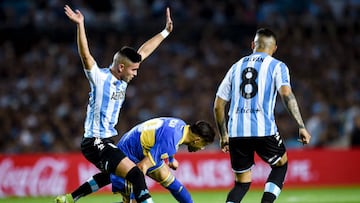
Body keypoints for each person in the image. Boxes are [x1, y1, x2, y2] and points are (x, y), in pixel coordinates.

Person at [56, 5, 173, 203]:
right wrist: (80, 25)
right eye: (133, 70)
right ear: (121, 67)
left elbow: (143, 51)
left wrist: (165, 32)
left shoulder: (123, 77)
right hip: (95, 141)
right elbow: (86, 57)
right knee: (135, 174)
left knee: (111, 175)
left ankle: (69, 198)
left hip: (107, 140)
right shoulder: (100, 78)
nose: (136, 73)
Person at [213, 28, 311, 203]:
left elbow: (218, 105)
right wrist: (301, 126)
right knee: (281, 165)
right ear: (274, 48)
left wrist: (223, 135)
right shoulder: (277, 66)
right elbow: (286, 94)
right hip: (263, 130)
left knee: (241, 184)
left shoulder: (236, 67)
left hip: (236, 132)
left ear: (253, 45)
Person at [58, 117, 215, 203]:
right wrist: (137, 196)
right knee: (123, 188)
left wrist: (171, 159)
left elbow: (163, 141)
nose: (201, 149)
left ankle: (71, 198)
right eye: (203, 145)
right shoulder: (171, 143)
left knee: (167, 179)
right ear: (197, 140)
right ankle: (71, 198)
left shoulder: (180, 125)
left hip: (138, 148)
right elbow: (140, 169)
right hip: (129, 155)